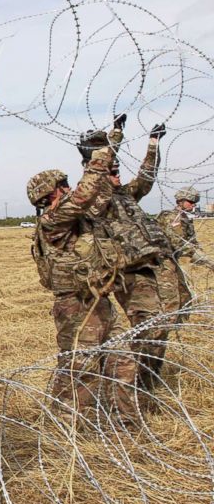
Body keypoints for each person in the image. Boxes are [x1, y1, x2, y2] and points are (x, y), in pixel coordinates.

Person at [28, 119, 137, 424]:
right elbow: (86, 193)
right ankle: (69, 431)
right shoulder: (54, 220)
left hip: (99, 299)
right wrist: (98, 153)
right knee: (82, 371)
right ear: (47, 196)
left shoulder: (76, 215)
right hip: (75, 305)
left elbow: (98, 188)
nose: (68, 188)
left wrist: (111, 141)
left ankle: (124, 423)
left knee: (123, 362)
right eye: (61, 186)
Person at [82, 124, 185, 392]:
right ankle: (134, 386)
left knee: (162, 328)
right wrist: (114, 138)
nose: (117, 173)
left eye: (117, 170)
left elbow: (147, 176)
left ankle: (146, 381)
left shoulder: (126, 194)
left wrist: (153, 143)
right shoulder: (95, 200)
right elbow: (96, 173)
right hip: (130, 275)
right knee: (148, 329)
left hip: (156, 267)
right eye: (111, 170)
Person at [158, 186, 214, 270]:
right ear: (180, 201)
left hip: (173, 259)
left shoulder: (185, 219)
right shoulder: (171, 217)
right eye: (190, 201)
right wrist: (207, 260)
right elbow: (178, 243)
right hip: (162, 261)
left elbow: (192, 242)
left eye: (194, 202)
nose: (193, 204)